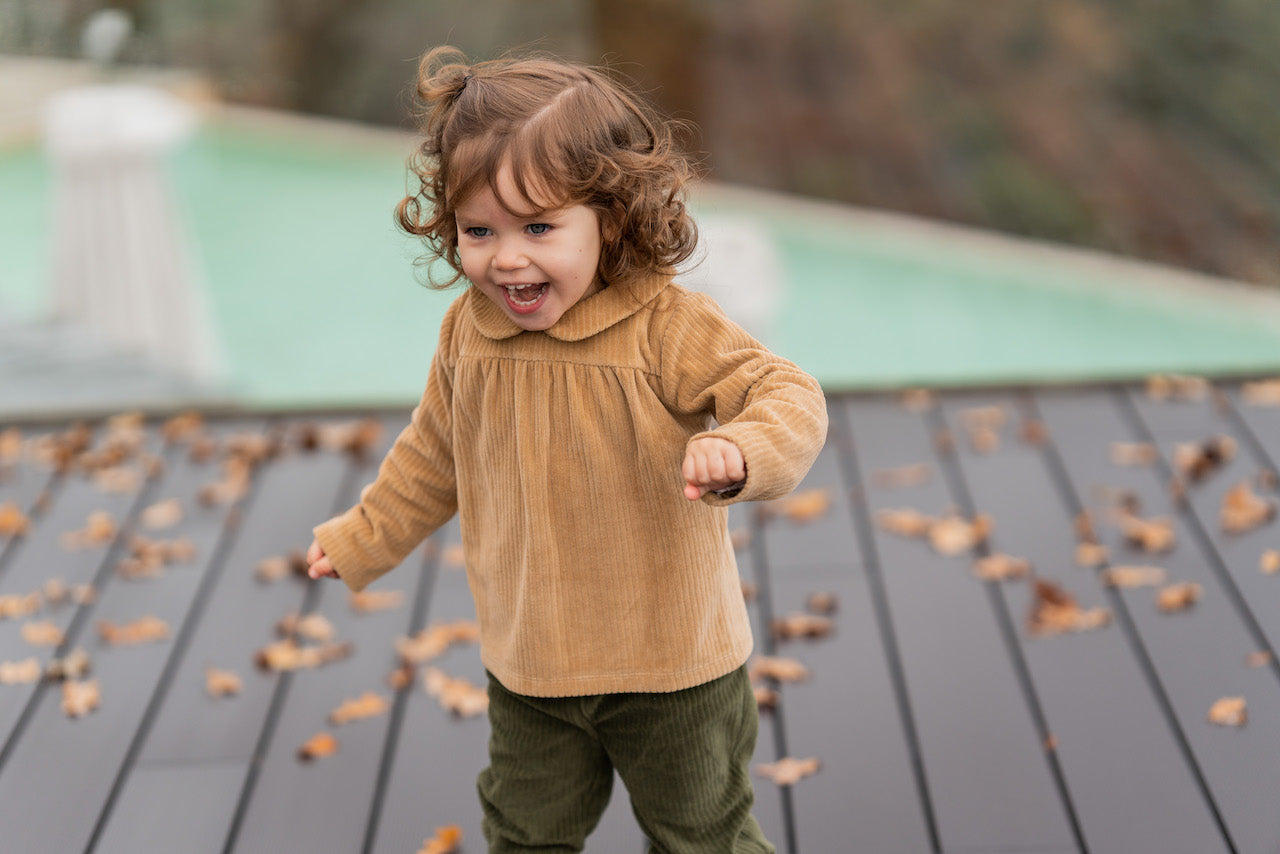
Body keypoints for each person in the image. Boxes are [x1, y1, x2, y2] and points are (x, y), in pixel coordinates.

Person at [306, 45, 828, 854]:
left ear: (610, 218)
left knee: (703, 835)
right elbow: (434, 455)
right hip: (535, 669)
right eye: (479, 230)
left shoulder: (668, 328)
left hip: (674, 667)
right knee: (524, 834)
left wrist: (743, 448)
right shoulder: (469, 336)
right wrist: (363, 538)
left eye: (539, 227)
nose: (506, 257)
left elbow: (787, 394)